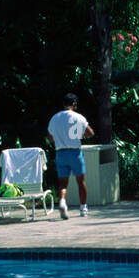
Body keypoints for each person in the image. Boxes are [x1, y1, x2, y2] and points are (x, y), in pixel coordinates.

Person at [47, 92, 94, 221]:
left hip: (61, 153)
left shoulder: (55, 118)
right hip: (75, 153)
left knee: (63, 183)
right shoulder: (79, 117)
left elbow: (50, 137)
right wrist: (78, 134)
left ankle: (62, 202)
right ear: (74, 104)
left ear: (63, 104)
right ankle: (83, 208)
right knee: (80, 182)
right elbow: (90, 133)